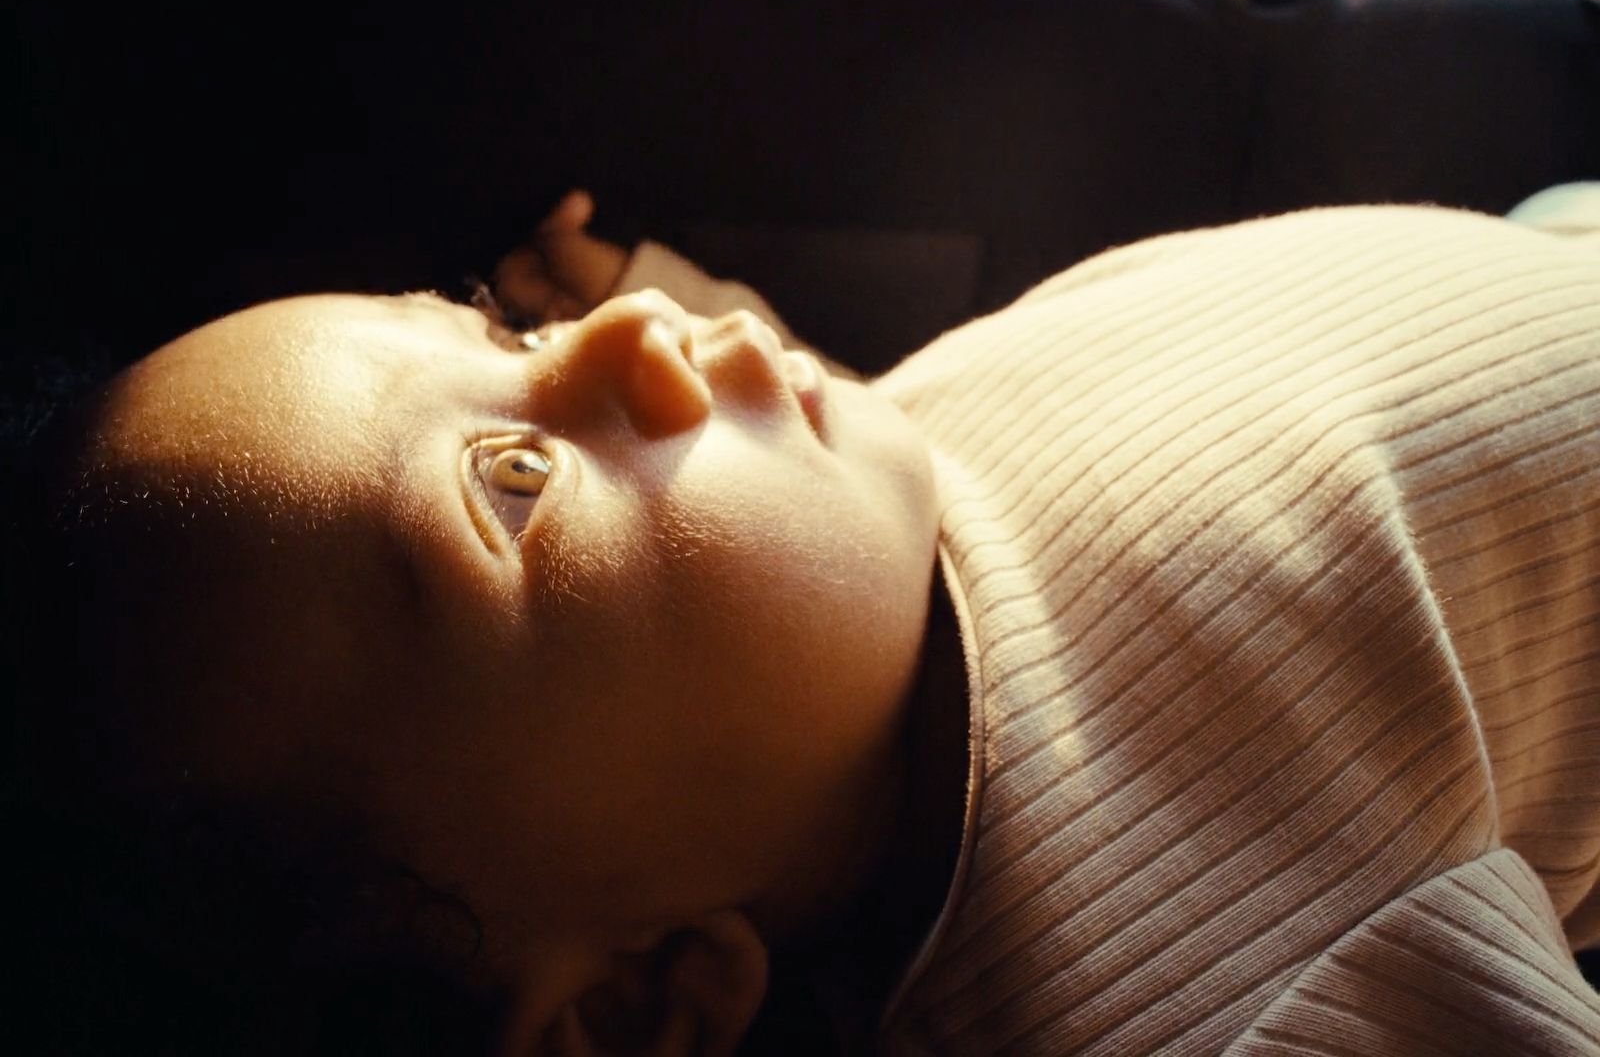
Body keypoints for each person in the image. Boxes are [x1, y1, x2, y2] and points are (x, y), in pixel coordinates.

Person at [11, 188, 1600, 1055]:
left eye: (497, 332)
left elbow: (759, 463)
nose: (625, 335)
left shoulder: (830, 559)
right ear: (640, 1006)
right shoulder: (1219, 996)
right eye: (512, 481)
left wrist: (683, 281)